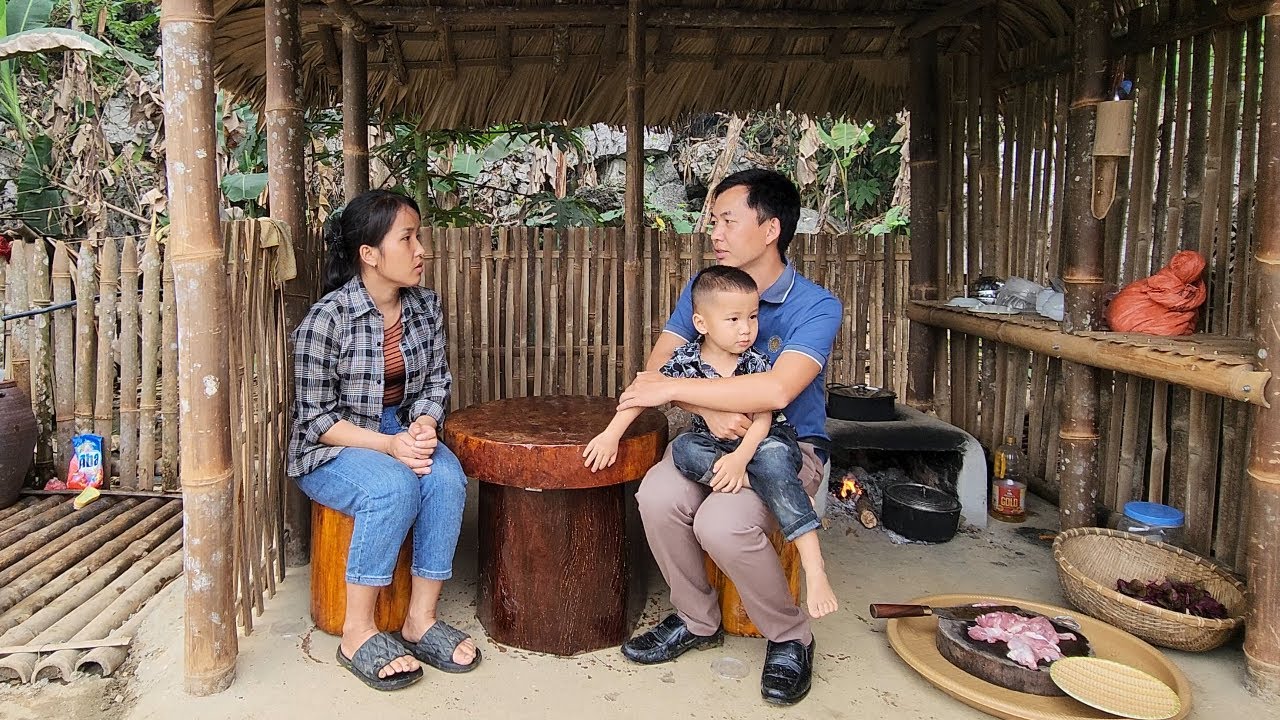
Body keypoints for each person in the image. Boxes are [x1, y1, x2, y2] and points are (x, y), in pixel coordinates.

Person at [615, 169, 841, 706]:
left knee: (722, 523)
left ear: (770, 229)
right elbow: (656, 371)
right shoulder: (707, 289)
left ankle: (791, 635)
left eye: (726, 220)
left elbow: (779, 391)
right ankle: (697, 619)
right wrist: (703, 409)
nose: (713, 231)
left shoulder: (816, 305)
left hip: (785, 447)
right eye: (713, 220)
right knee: (657, 495)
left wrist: (684, 392)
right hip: (706, 437)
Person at [288, 190, 479, 691]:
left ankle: (420, 619)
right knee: (392, 488)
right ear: (369, 254)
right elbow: (315, 421)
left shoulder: (423, 307)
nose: (422, 250)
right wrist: (390, 446)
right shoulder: (325, 321)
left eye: (419, 236)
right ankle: (356, 633)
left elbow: (436, 381)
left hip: (400, 431)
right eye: (408, 238)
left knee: (448, 479)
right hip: (334, 447)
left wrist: (423, 424)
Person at [583, 265, 838, 620]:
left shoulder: (755, 361)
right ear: (701, 323)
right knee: (683, 454)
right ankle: (695, 619)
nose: (747, 329)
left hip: (761, 443)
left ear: (770, 229)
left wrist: (741, 458)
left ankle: (810, 580)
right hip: (713, 445)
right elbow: (647, 387)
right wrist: (612, 434)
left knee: (770, 468)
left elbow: (766, 412)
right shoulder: (687, 359)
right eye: (734, 320)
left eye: (752, 317)